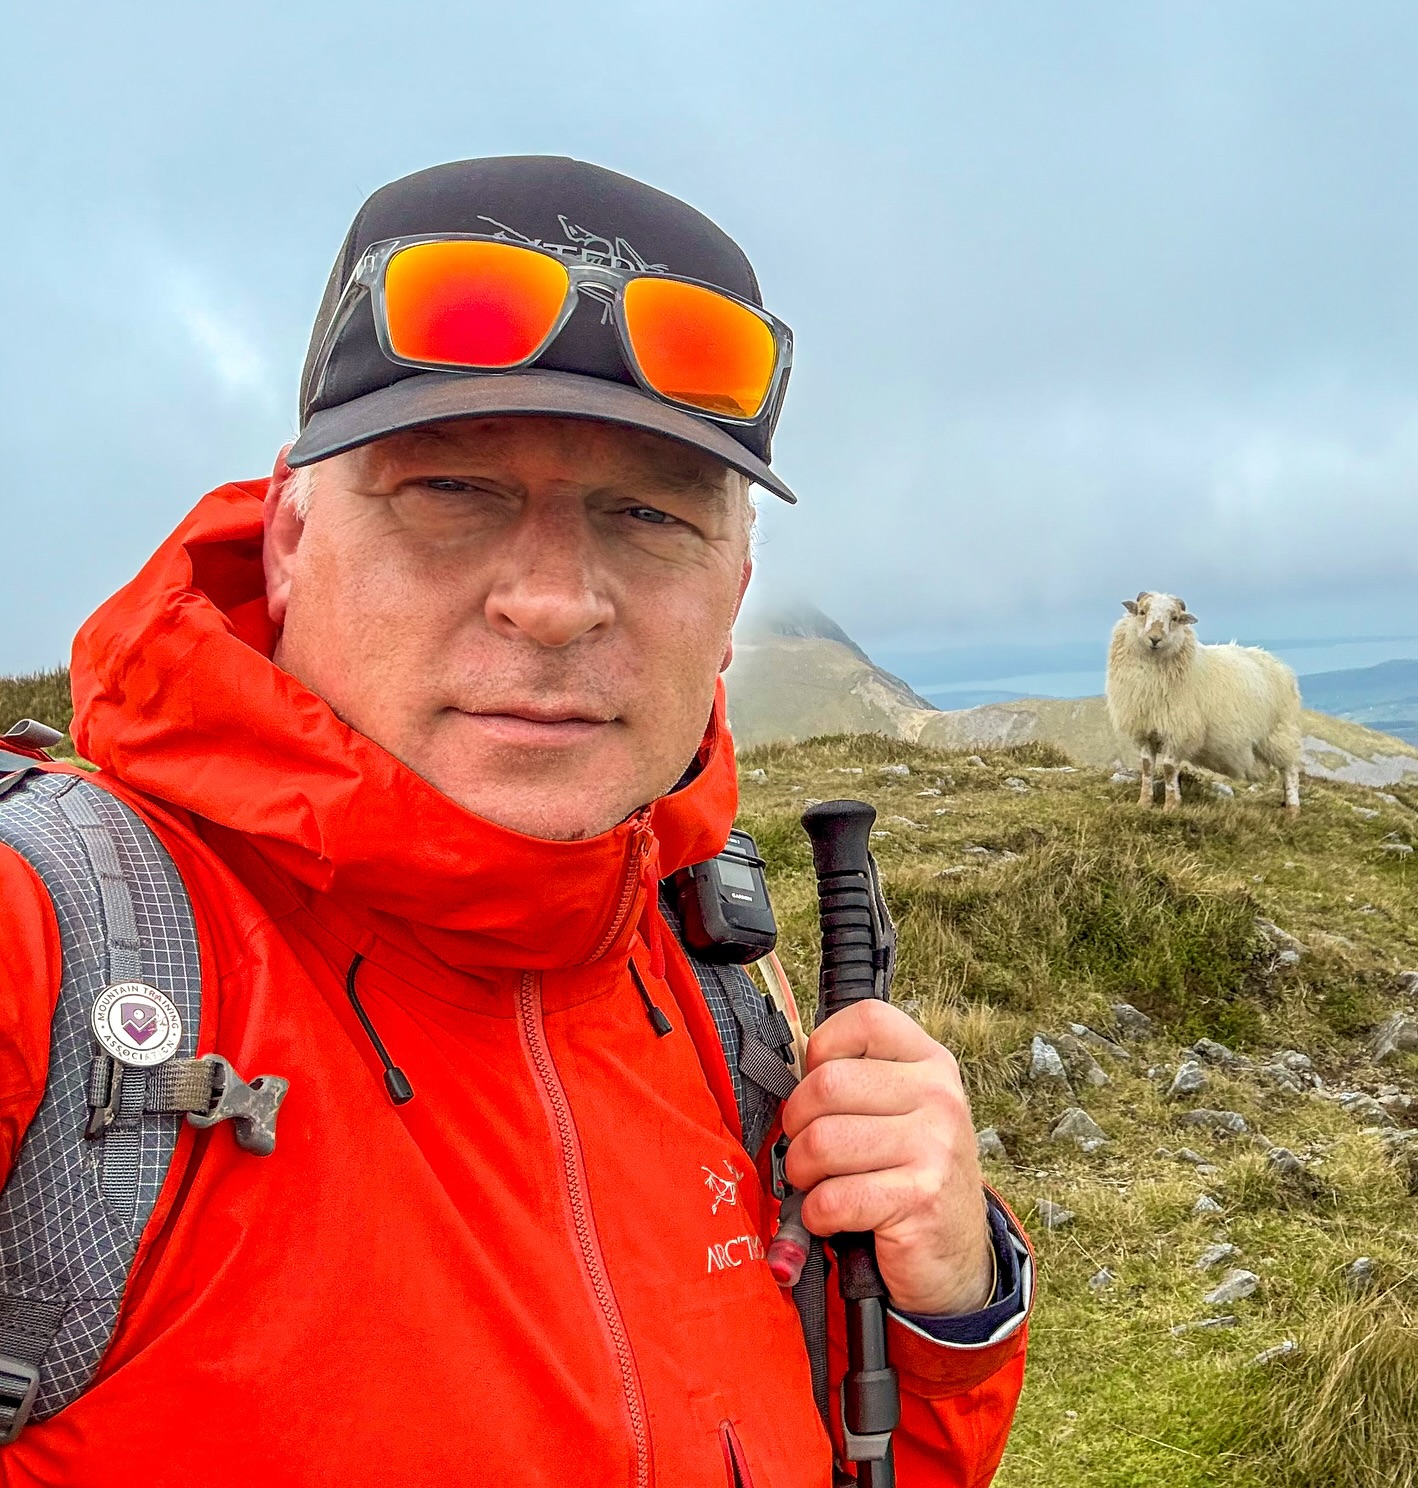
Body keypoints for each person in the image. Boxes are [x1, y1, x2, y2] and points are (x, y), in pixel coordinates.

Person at [0, 156, 1031, 1487]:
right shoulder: (42, 938)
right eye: (452, 491)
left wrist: (950, 1300)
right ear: (292, 535)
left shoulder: (722, 987)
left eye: (649, 514)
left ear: (735, 595)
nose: (554, 602)